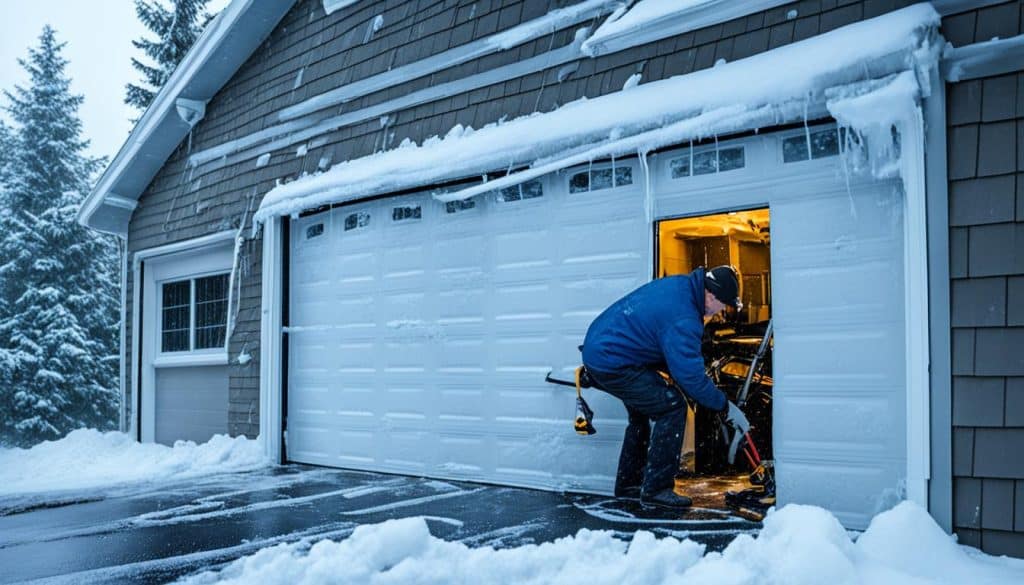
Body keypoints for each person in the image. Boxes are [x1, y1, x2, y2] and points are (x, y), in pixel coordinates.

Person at [581, 265, 751, 509]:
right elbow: (690, 378)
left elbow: (672, 356)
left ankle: (629, 485)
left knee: (642, 413)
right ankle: (657, 490)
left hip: (604, 349)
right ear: (711, 295)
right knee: (672, 407)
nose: (722, 311)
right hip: (614, 360)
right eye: (723, 305)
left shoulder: (682, 286)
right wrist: (724, 406)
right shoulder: (685, 317)